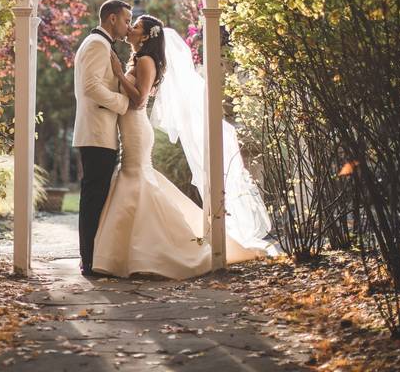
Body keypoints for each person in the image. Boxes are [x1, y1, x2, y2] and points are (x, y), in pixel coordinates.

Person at [91, 14, 271, 279]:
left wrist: (119, 73)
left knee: (135, 177)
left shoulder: (146, 60)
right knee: (135, 179)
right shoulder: (139, 59)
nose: (130, 28)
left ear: (145, 36)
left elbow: (140, 100)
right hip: (129, 126)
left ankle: (166, 249)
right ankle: (135, 253)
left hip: (136, 127)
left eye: (136, 26)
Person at [72, 0, 132, 277]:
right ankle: (89, 261)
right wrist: (122, 103)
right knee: (93, 199)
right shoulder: (97, 44)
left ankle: (92, 258)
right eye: (126, 20)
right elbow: (91, 86)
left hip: (98, 132)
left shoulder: (100, 43)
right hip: (97, 132)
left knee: (95, 198)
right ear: (111, 19)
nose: (127, 26)